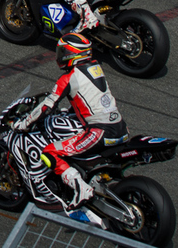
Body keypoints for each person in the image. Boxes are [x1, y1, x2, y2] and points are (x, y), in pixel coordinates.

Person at [13, 32, 129, 209]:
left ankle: (81, 189)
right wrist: (69, 111)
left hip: (100, 131)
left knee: (50, 153)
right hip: (121, 128)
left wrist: (24, 123)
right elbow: (89, 98)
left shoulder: (68, 78)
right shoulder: (95, 67)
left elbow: (46, 106)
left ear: (71, 53)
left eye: (62, 51)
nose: (59, 56)